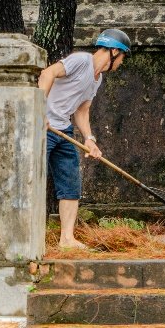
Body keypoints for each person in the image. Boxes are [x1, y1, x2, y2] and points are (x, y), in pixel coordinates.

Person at [38, 29, 131, 250]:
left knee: (70, 186)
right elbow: (47, 74)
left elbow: (82, 110)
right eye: (122, 58)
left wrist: (89, 139)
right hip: (43, 129)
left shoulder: (97, 80)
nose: (120, 63)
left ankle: (67, 239)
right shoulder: (81, 61)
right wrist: (38, 112)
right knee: (32, 180)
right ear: (114, 52)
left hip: (63, 131)